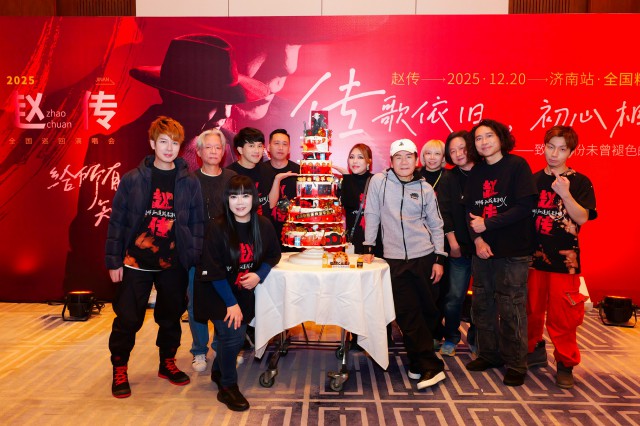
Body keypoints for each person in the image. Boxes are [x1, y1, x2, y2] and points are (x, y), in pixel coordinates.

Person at [64, 34, 269, 301]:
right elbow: (95, 232)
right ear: (172, 96)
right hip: (142, 273)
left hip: (215, 275)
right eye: (213, 101)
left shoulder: (236, 149)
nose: (226, 112)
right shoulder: (113, 149)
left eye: (228, 100)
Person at [105, 116, 204, 398]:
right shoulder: (133, 179)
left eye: (174, 143)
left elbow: (197, 222)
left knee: (170, 316)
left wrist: (192, 256)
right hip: (135, 261)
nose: (169, 148)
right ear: (152, 144)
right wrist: (114, 260)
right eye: (163, 142)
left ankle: (167, 362)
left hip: (173, 261)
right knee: (127, 319)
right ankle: (120, 367)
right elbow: (118, 221)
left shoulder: (189, 182)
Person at [362, 138, 447, 390]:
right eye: (398, 157)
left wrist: (439, 257)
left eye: (408, 156)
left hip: (424, 256)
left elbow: (436, 224)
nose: (403, 162)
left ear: (416, 160)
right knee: (406, 313)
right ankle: (431, 366)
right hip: (394, 259)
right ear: (390, 161)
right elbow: (372, 213)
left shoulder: (425, 188)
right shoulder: (379, 182)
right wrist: (369, 246)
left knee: (427, 311)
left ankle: (418, 361)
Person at [194, 175, 282, 411]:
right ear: (227, 200)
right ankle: (227, 386)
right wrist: (230, 303)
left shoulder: (263, 224)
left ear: (254, 198)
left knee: (230, 336)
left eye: (245, 195)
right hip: (217, 291)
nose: (240, 202)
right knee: (233, 336)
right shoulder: (217, 227)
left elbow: (274, 254)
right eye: (234, 196)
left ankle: (218, 370)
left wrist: (259, 275)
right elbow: (213, 270)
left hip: (244, 291)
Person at [463, 119, 537, 387]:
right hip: (483, 251)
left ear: (501, 138)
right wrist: (478, 240)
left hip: (513, 251)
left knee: (511, 306)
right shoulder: (476, 172)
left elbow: (525, 206)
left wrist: (489, 224)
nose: (484, 142)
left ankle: (516, 363)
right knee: (482, 305)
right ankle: (489, 354)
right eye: (478, 138)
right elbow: (469, 213)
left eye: (489, 136)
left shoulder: (517, 166)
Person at [526, 126, 597, 389]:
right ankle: (533, 349)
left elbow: (582, 218)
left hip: (566, 262)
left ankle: (565, 363)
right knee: (531, 310)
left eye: (562, 149)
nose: (554, 154)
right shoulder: (532, 180)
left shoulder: (580, 182)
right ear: (543, 147)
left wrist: (565, 193)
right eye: (550, 147)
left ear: (571, 152)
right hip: (533, 259)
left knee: (563, 315)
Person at [187, 129, 237, 373]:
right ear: (199, 151)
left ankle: (220, 346)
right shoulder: (189, 180)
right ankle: (199, 350)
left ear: (224, 151)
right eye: (208, 147)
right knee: (196, 304)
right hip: (196, 253)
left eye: (218, 147)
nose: (214, 151)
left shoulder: (232, 178)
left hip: (225, 253)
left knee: (224, 301)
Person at [435, 131, 479, 357]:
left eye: (462, 148)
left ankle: (476, 337)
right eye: (452, 151)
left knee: (483, 298)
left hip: (485, 249)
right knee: (454, 297)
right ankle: (451, 337)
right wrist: (452, 244)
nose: (458, 154)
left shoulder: (485, 171)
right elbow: (444, 213)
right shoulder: (449, 178)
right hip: (459, 247)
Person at [264, 128, 299, 247]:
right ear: (268, 147)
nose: (280, 148)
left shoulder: (299, 172)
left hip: (294, 235)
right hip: (266, 234)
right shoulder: (260, 171)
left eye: (284, 144)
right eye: (276, 143)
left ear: (289, 149)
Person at [226, 127, 271, 217]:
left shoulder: (268, 170)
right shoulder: (230, 174)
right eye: (251, 146)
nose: (257, 150)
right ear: (240, 149)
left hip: (263, 223)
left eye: (259, 146)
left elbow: (270, 203)